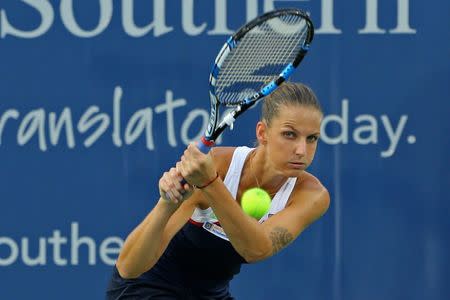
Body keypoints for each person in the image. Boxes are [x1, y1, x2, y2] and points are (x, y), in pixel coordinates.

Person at [106, 82, 330, 299]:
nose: (302, 150)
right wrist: (166, 204)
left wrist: (210, 184)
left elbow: (256, 249)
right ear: (263, 133)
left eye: (312, 138)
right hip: (146, 287)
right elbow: (129, 268)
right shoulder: (219, 165)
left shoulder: (311, 195)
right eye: (289, 134)